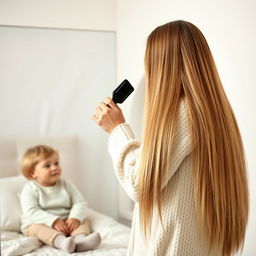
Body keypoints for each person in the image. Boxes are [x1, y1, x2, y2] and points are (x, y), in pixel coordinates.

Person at [92, 20, 249, 256]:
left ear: (163, 66)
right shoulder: (217, 113)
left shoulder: (184, 113)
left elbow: (139, 184)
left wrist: (117, 130)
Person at [20, 145, 101, 253]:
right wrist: (53, 221)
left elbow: (80, 202)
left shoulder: (66, 184)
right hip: (42, 222)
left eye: (56, 163)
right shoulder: (30, 188)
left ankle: (81, 241)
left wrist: (74, 218)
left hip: (67, 222)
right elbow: (32, 211)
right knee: (36, 228)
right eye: (47, 165)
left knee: (84, 220)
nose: (54, 167)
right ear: (33, 173)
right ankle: (62, 242)